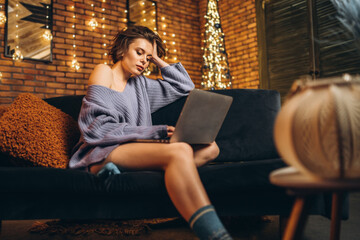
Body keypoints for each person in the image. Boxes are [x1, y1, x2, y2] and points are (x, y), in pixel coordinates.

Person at [69, 25, 233, 240]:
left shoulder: (142, 85)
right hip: (101, 150)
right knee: (179, 150)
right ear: (122, 50)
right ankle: (215, 234)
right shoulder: (104, 72)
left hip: (134, 151)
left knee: (211, 148)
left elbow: (185, 86)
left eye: (148, 57)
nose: (144, 61)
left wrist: (157, 58)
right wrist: (157, 132)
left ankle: (160, 174)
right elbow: (96, 128)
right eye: (139, 53)